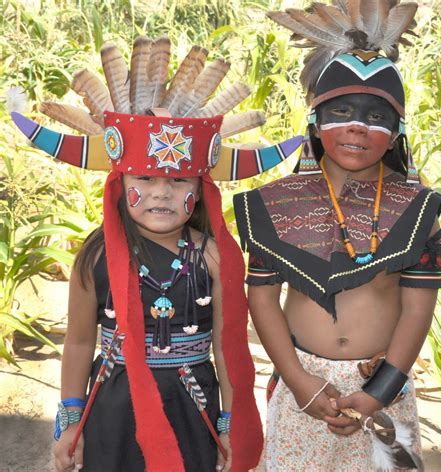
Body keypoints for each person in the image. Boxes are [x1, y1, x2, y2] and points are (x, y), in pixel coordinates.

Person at [11, 36, 300, 472]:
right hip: (112, 408)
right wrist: (70, 422)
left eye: (180, 181)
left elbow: (227, 348)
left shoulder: (214, 256)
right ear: (120, 182)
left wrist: (228, 423)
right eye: (144, 178)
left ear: (201, 189)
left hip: (191, 407)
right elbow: (78, 341)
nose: (161, 192)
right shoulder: (96, 255)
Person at [233, 2, 441, 470]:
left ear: (396, 133)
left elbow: (416, 310)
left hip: (384, 385)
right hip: (303, 385)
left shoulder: (417, 210)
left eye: (376, 116)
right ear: (314, 119)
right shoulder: (275, 206)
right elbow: (263, 298)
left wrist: (380, 391)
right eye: (342, 110)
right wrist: (299, 380)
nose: (357, 126)